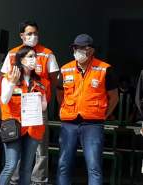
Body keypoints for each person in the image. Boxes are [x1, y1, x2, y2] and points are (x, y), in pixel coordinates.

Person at [1, 20, 59, 185]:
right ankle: (15, 180)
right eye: (29, 33)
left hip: (37, 107)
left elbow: (54, 79)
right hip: (15, 111)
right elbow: (4, 80)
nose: (33, 36)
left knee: (40, 146)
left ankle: (39, 180)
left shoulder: (47, 53)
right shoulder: (12, 54)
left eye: (35, 33)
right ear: (22, 36)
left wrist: (44, 97)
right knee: (16, 153)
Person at [56, 34, 118, 185]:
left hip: (93, 124)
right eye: (75, 48)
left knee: (94, 166)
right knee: (64, 164)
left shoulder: (104, 69)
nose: (77, 51)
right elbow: (59, 93)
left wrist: (103, 114)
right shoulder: (66, 69)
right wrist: (66, 108)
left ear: (90, 51)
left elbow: (114, 97)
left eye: (81, 48)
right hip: (69, 123)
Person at [0, 46, 49, 185]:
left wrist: (40, 100)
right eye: (30, 56)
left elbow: (44, 106)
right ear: (21, 59)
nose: (34, 60)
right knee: (11, 165)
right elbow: (4, 99)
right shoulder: (8, 77)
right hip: (13, 126)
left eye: (35, 56)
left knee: (27, 168)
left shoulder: (41, 81)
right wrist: (13, 83)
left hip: (32, 127)